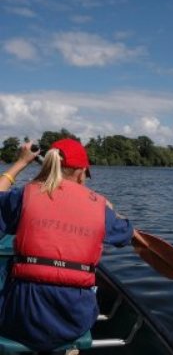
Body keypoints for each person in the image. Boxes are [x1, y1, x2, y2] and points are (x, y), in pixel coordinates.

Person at [0, 139, 134, 354]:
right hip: (72, 322)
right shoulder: (100, 208)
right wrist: (109, 209)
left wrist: (21, 162)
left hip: (20, 317)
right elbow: (126, 233)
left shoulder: (25, 195)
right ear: (81, 172)